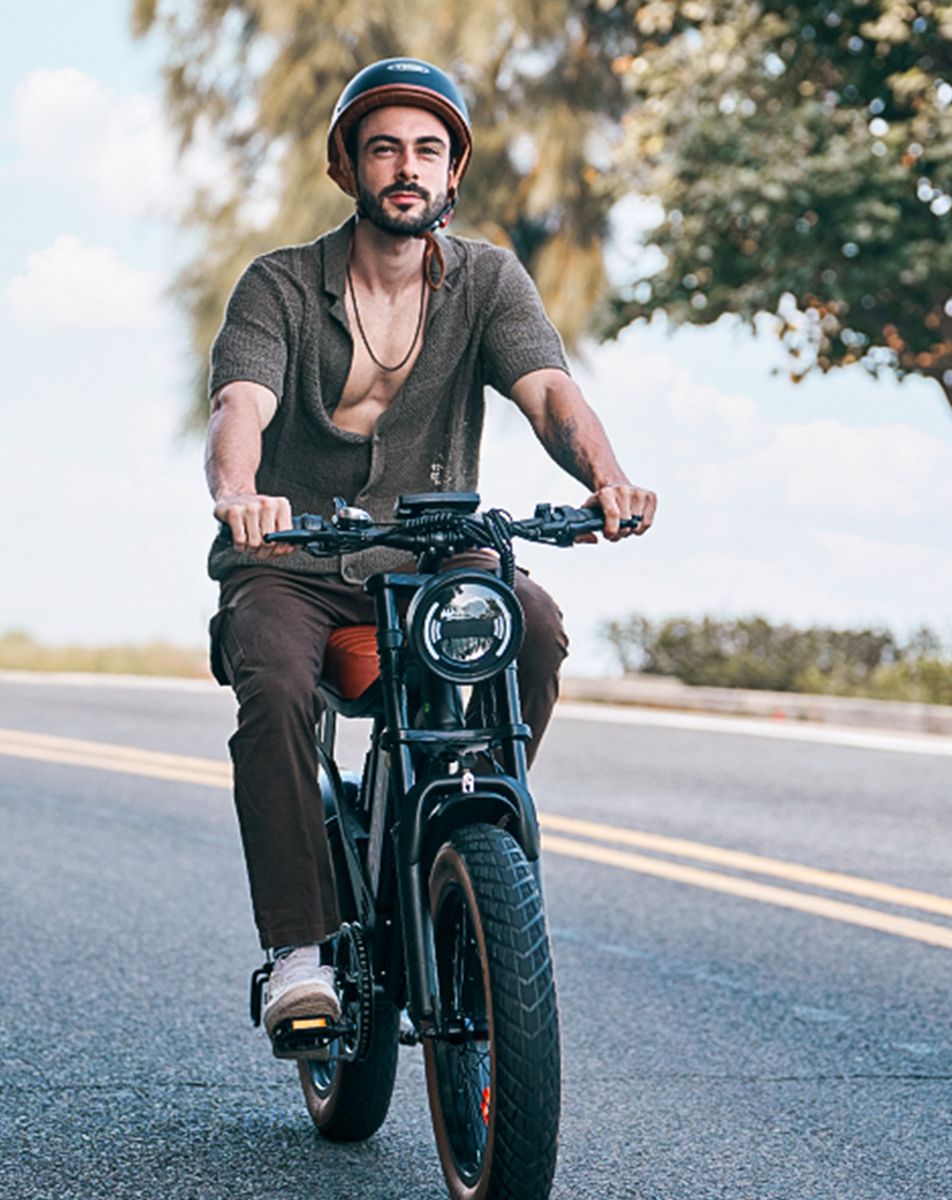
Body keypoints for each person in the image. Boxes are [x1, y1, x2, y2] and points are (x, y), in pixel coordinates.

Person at [204, 57, 656, 1048]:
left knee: (530, 623)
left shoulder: (489, 280)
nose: (405, 167)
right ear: (348, 170)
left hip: (432, 554)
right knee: (275, 684)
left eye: (426, 150)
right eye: (383, 150)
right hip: (293, 559)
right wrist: (241, 496)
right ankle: (299, 949)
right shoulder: (279, 284)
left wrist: (606, 479)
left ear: (453, 174)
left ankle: (468, 834)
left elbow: (548, 392)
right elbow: (243, 400)